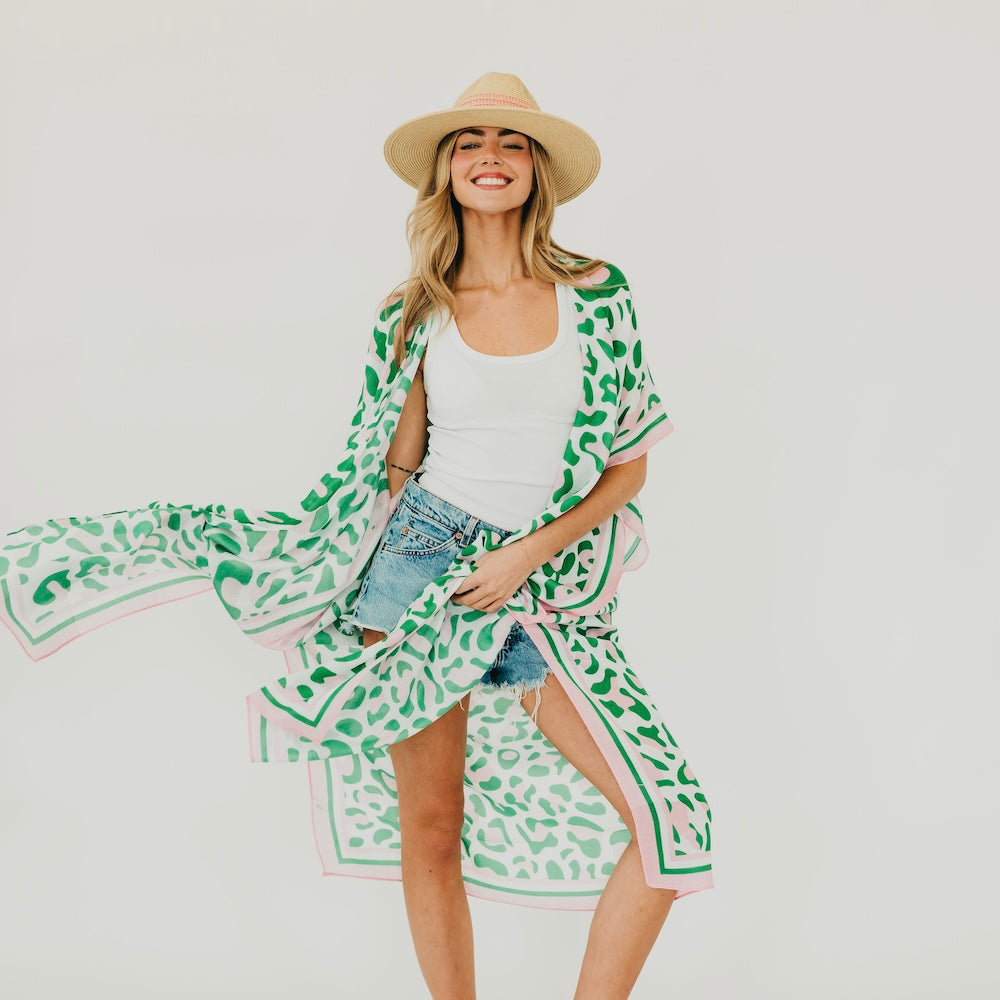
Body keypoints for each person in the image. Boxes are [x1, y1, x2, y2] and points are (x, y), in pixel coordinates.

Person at [0, 71, 713, 1000]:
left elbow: (628, 464)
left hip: (546, 585)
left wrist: (526, 552)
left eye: (511, 142)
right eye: (469, 143)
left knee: (667, 818)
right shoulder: (412, 312)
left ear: (537, 169)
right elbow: (391, 466)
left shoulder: (598, 294)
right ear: (445, 171)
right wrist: (329, 556)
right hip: (423, 571)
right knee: (432, 827)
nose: (490, 157)